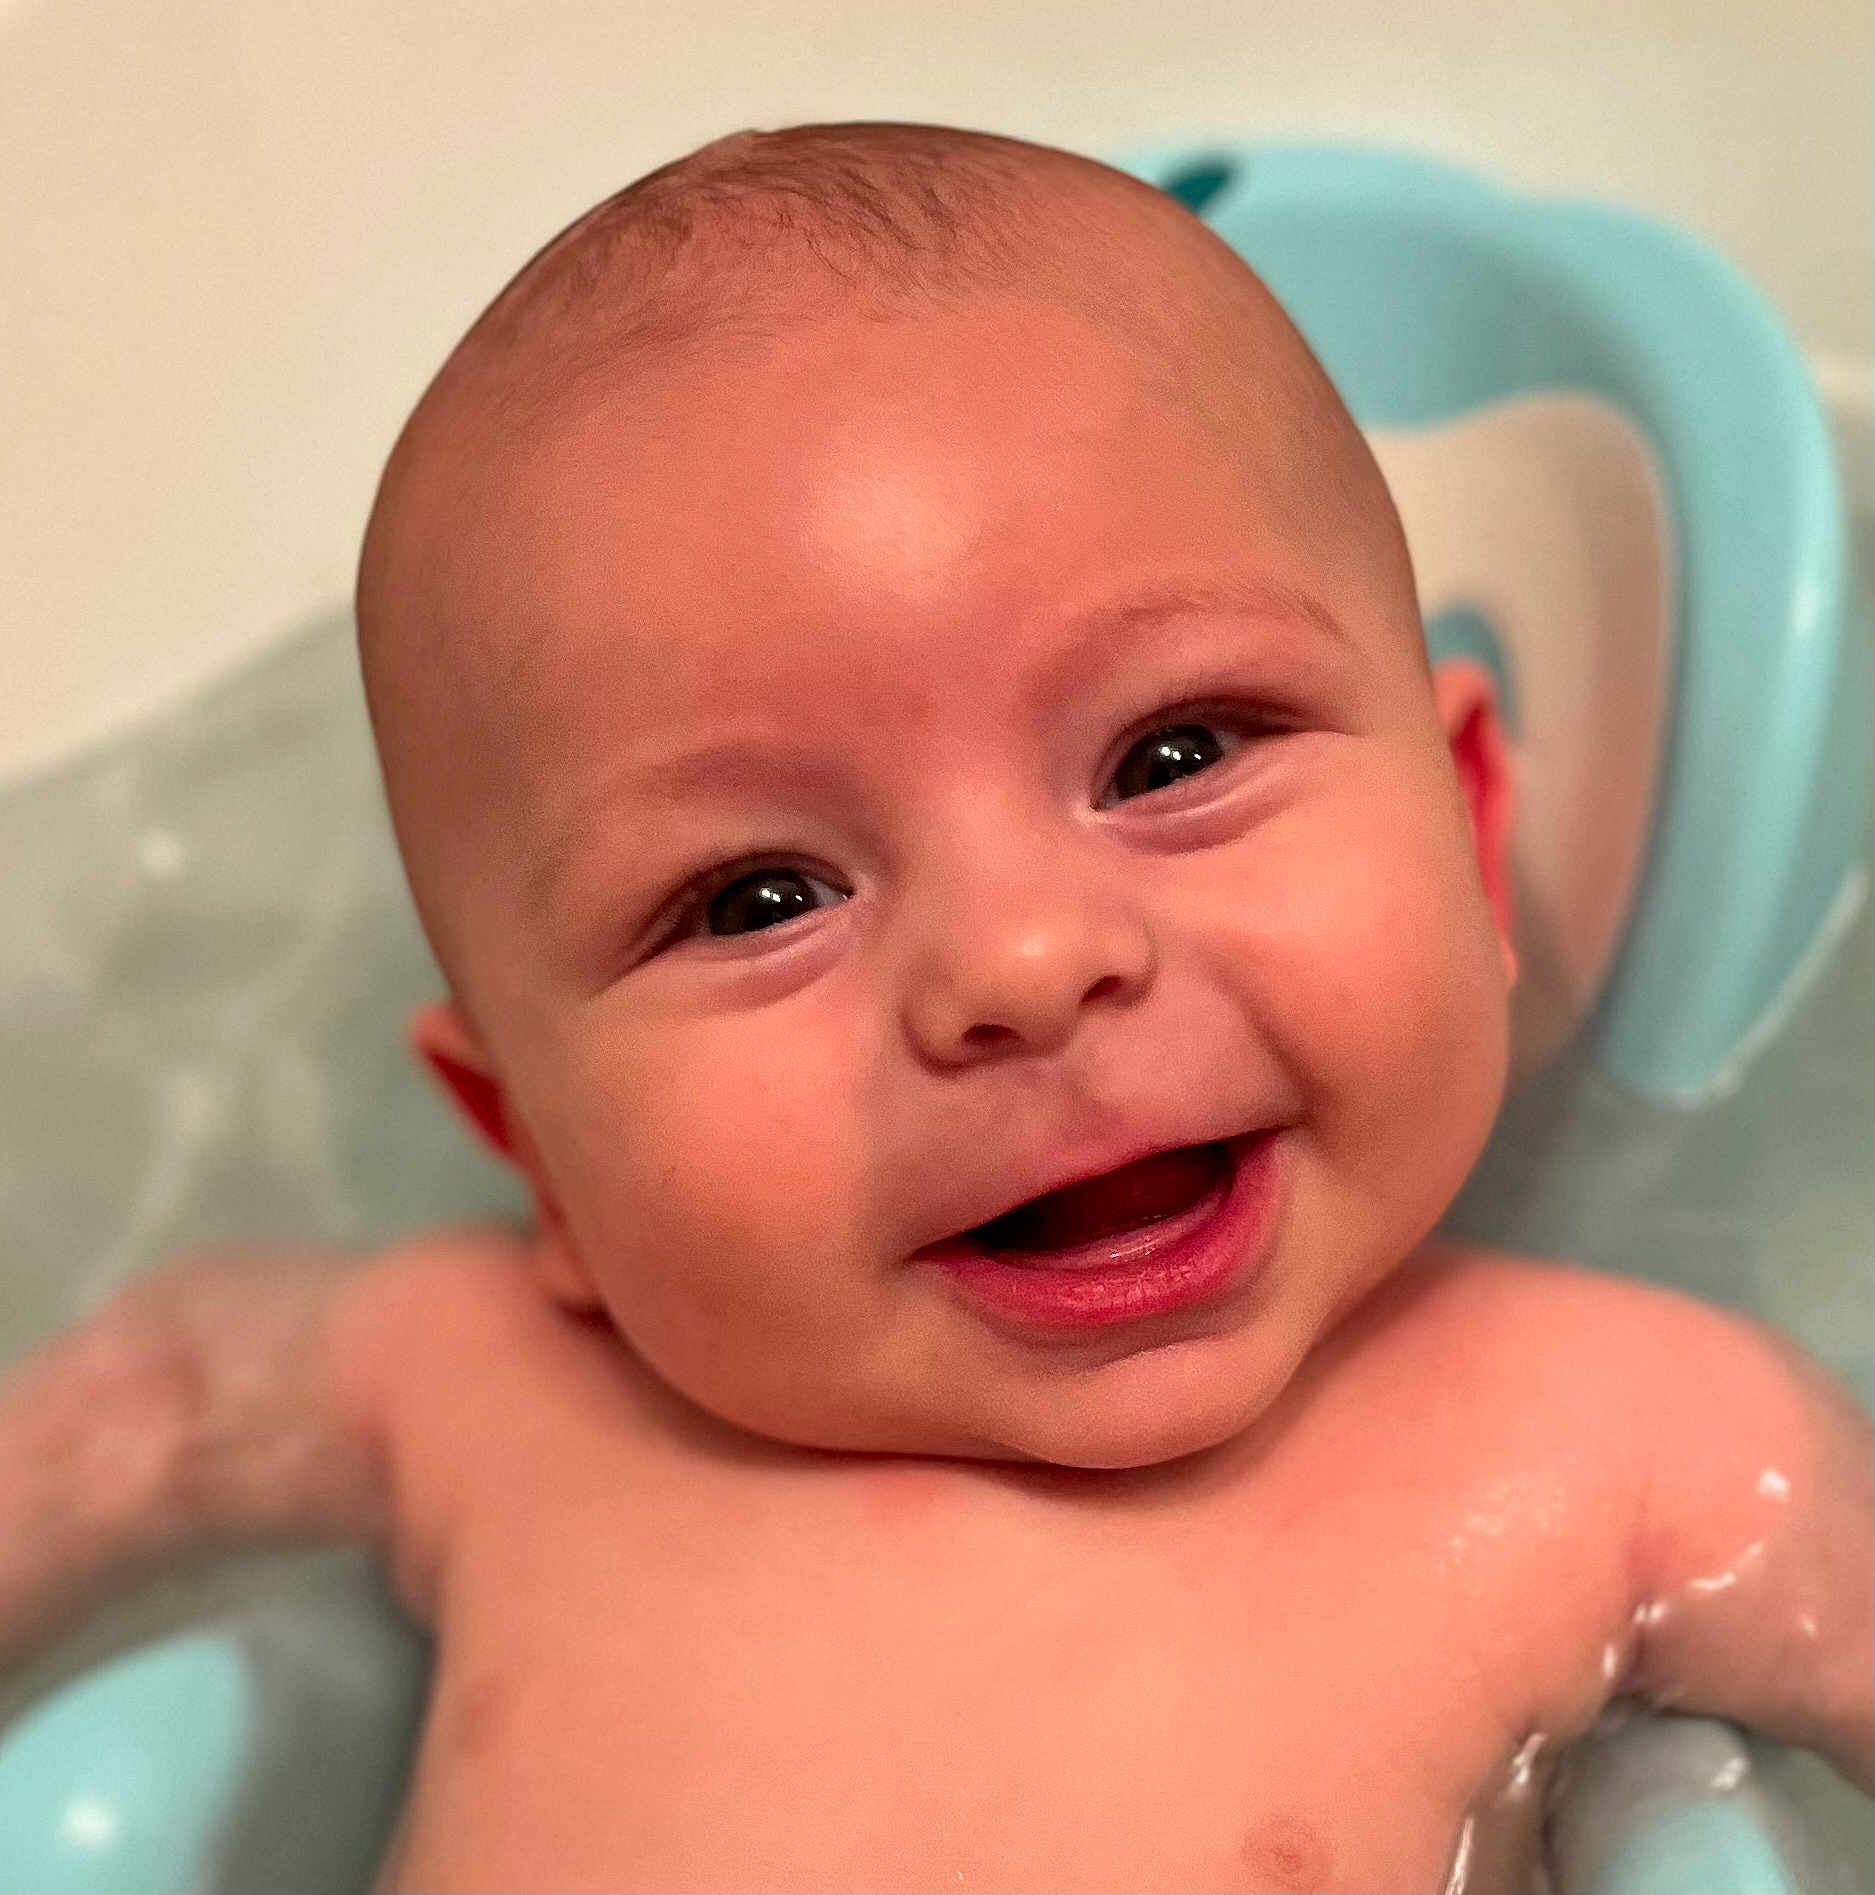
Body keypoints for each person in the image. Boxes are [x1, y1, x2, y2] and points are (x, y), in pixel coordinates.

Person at [1, 123, 1868, 1894]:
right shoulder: (491, 1383)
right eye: (758, 899)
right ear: (540, 1157)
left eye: (1172, 752)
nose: (1025, 966)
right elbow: (143, 1404)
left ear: (1470, 833)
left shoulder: (1619, 1436)